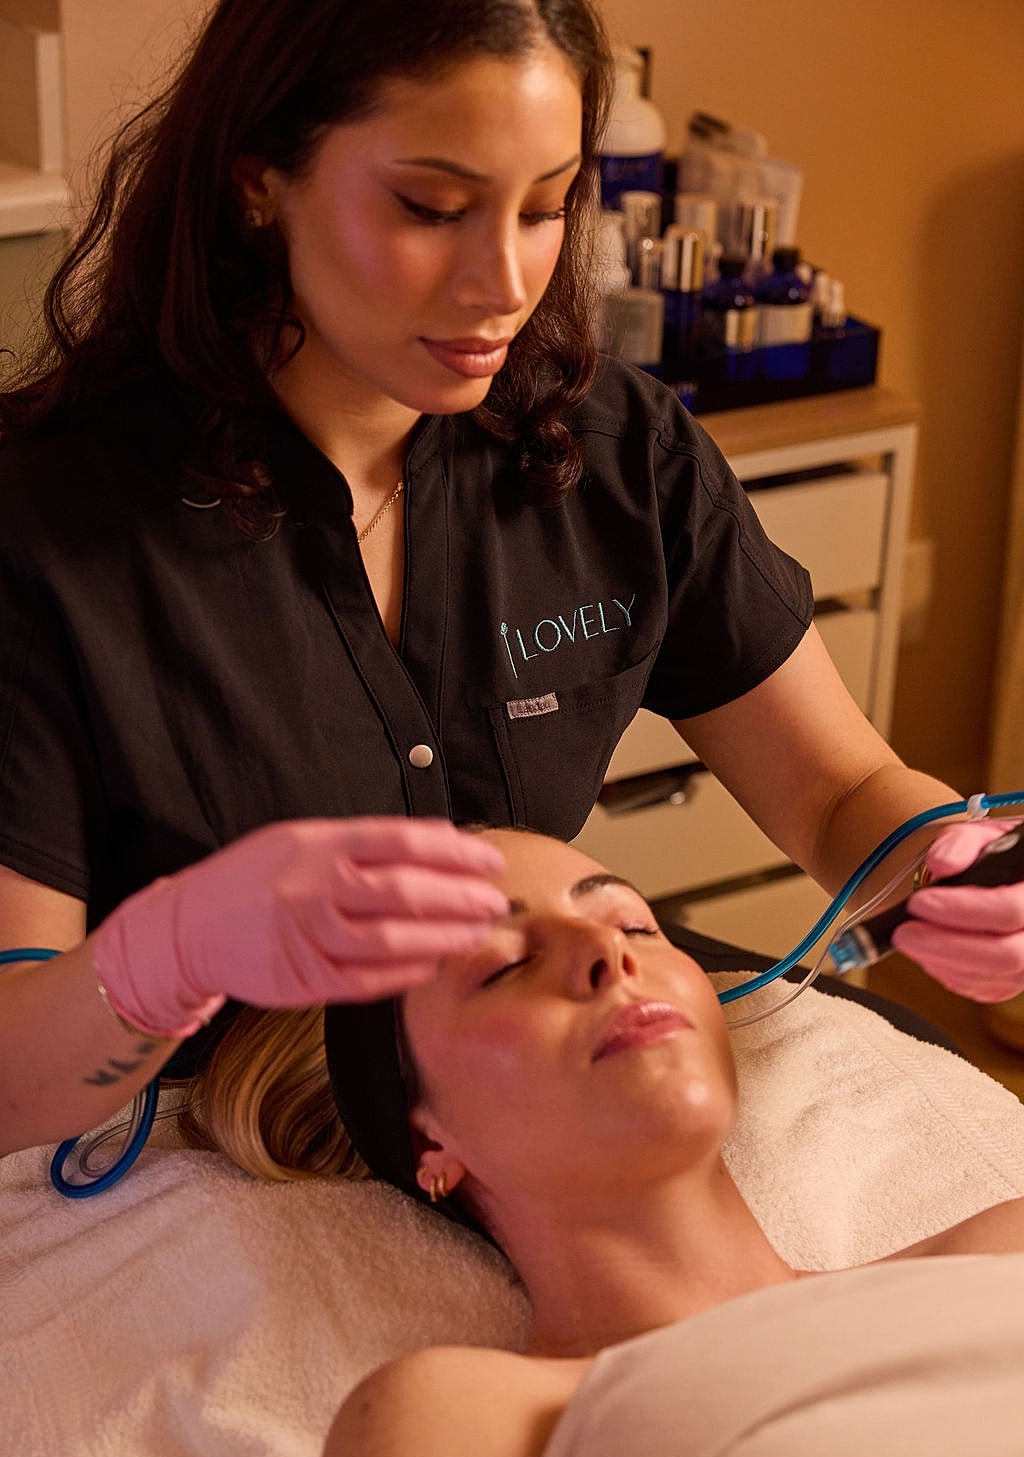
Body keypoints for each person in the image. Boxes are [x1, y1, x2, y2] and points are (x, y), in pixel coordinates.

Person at [2, 0, 1023, 1165]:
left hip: (530, 1096)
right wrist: (166, 955)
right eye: (431, 209)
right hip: (195, 1158)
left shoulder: (611, 448)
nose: (503, 282)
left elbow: (842, 794)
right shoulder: (44, 534)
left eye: (546, 207)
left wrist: (940, 875)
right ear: (257, 181)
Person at [305, 826, 1024, 1457]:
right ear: (427, 1134)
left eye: (635, 924)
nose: (607, 949)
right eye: (503, 965)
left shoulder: (1003, 1243)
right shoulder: (465, 1418)